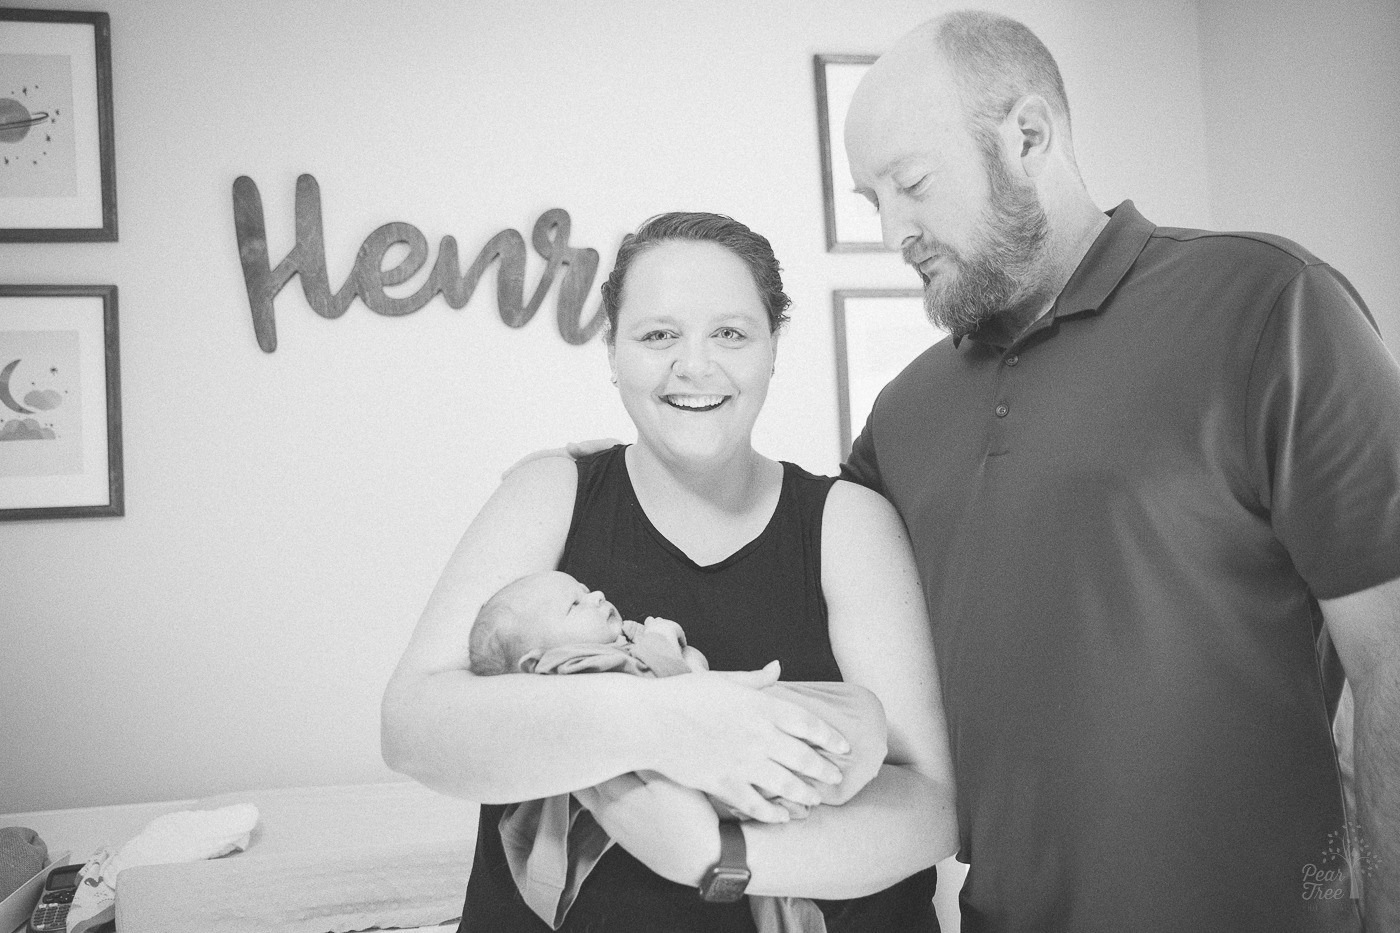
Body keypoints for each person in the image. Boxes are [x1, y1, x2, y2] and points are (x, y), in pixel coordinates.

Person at [835, 9, 1400, 932]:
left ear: (1027, 136)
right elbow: (810, 588)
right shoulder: (902, 413)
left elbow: (1393, 657)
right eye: (872, 201)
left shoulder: (1269, 305)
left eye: (912, 183)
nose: (894, 228)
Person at [381, 211, 959, 933]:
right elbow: (412, 727)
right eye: (658, 335)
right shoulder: (549, 493)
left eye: (731, 333)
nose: (695, 365)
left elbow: (933, 807)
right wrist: (670, 723)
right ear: (613, 353)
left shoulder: (848, 522)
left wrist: (715, 851)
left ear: (772, 347)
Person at [469, 569, 892, 933]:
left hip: (718, 771)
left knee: (854, 722)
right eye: (575, 604)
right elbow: (665, 694)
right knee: (856, 718)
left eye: (585, 587)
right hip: (711, 778)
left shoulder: (602, 659)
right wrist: (661, 643)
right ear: (534, 664)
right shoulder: (571, 673)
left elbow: (679, 691)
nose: (595, 596)